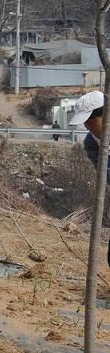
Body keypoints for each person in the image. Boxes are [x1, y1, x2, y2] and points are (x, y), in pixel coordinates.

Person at [70, 90, 110, 266]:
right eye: (85, 123)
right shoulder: (91, 143)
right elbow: (106, 176)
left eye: (91, 121)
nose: (88, 127)